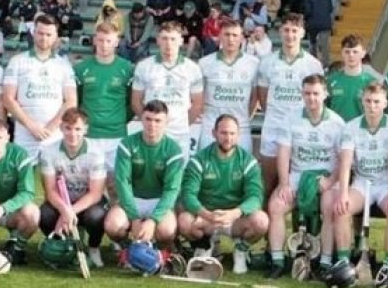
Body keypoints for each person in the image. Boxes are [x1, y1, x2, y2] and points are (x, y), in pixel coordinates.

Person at [266, 75, 345, 279]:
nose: (312, 98)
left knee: (329, 207)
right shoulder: (291, 118)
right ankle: (277, 261)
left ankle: (325, 262)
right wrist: (284, 183)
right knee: (275, 206)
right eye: (307, 93)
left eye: (316, 93)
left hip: (327, 176)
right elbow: (283, 153)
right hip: (298, 174)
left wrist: (329, 181)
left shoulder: (337, 123)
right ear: (302, 94)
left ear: (325, 94)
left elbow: (344, 161)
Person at [324, 82, 388, 273]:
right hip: (361, 182)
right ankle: (344, 261)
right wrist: (343, 194)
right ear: (362, 102)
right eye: (368, 101)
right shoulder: (351, 127)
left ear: (385, 103)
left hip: (385, 184)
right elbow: (345, 163)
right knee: (341, 209)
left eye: (377, 101)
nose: (372, 106)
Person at [179, 114, 269, 274]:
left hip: (234, 220)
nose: (228, 138)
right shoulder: (199, 160)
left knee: (261, 221)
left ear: (238, 135)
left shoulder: (248, 161)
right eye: (223, 133)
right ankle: (206, 244)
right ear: (214, 133)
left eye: (232, 133)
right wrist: (206, 214)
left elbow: (255, 196)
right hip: (207, 219)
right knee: (185, 221)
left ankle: (241, 250)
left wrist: (234, 213)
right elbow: (188, 195)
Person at [104, 100, 184, 256]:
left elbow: (171, 190)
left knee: (167, 230)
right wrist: (134, 218)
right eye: (148, 119)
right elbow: (123, 182)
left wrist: (153, 220)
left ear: (166, 122)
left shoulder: (174, 149)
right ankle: (128, 251)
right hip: (133, 198)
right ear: (141, 119)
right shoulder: (127, 144)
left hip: (158, 200)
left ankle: (161, 253)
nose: (152, 125)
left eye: (157, 120)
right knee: (113, 225)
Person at [256, 13, 323, 198]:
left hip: (300, 128)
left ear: (302, 33)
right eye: (286, 30)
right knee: (268, 181)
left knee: (297, 182)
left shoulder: (313, 64)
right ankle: (265, 225)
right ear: (280, 32)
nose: (290, 35)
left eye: (294, 30)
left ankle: (300, 225)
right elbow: (263, 96)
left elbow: (316, 99)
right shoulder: (267, 62)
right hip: (273, 126)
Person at [2, 14, 77, 163]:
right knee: (25, 181)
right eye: (40, 33)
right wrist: (31, 126)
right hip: (25, 134)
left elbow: (71, 101)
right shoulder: (17, 61)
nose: (44, 38)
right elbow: (8, 99)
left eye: (49, 34)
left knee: (55, 182)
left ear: (56, 36)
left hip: (54, 135)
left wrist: (50, 128)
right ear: (33, 33)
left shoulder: (64, 65)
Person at [38, 108, 108, 268]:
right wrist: (64, 209)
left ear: (85, 129)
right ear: (61, 128)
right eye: (68, 128)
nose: (72, 134)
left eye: (78, 129)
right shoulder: (49, 151)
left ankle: (94, 247)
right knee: (44, 214)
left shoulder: (96, 152)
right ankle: (61, 247)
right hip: (62, 200)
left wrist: (70, 212)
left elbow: (96, 193)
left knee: (96, 216)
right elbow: (50, 190)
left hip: (87, 202)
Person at [74, 23, 134, 186]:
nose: (104, 45)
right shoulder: (81, 69)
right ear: (94, 40)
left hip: (116, 135)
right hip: (89, 135)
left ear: (116, 42)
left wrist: (119, 119)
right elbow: (76, 102)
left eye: (108, 41)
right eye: (100, 40)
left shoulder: (127, 69)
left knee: (116, 185)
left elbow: (132, 103)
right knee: (87, 184)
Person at [131, 22, 203, 156]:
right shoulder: (144, 66)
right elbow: (136, 101)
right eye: (164, 38)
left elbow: (197, 104)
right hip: (152, 135)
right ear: (158, 40)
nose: (168, 43)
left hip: (180, 134)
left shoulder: (192, 68)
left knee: (177, 174)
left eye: (173, 39)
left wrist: (183, 125)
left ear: (181, 41)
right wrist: (150, 123)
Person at [0, 118, 39, 265]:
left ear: (8, 138)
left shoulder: (20, 155)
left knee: (33, 212)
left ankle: (16, 248)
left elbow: (27, 192)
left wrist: (3, 208)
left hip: (10, 210)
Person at [198, 20, 260, 153]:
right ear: (220, 36)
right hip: (211, 126)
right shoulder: (204, 63)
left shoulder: (253, 64)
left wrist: (245, 119)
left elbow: (255, 98)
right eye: (226, 34)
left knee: (241, 170)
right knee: (207, 168)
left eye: (235, 35)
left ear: (242, 38)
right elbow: (199, 97)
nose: (231, 39)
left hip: (241, 126)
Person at [327, 34, 377, 122]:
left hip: (360, 132)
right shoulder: (331, 81)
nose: (351, 55)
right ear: (342, 53)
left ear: (363, 53)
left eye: (355, 52)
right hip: (336, 132)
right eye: (347, 52)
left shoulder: (371, 82)